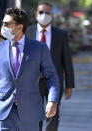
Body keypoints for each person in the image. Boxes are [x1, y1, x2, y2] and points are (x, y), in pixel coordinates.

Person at [0, 7, 60, 131]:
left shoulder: (39, 48)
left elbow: (51, 77)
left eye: (7, 24)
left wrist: (52, 100)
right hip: (3, 112)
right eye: (2, 23)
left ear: (20, 27)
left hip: (30, 111)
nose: (2, 27)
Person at [25, 1, 75, 131]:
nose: (44, 15)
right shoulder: (28, 32)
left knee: (53, 114)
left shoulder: (61, 34)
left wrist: (69, 85)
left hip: (54, 81)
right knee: (35, 114)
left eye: (47, 12)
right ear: (36, 14)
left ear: (52, 15)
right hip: (33, 81)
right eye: (41, 12)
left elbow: (67, 61)